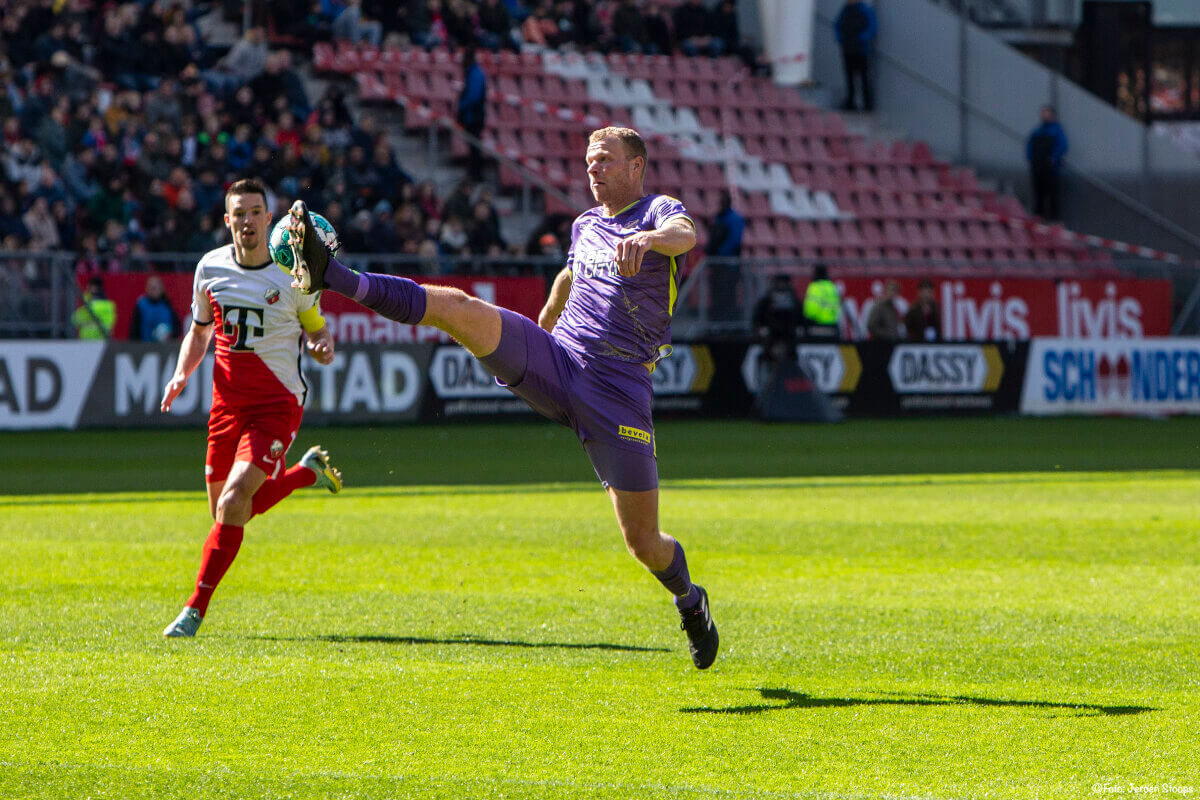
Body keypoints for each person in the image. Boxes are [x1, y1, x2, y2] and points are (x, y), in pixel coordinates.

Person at [281, 127, 719, 669]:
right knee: (459, 309)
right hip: (560, 362)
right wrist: (550, 312)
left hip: (620, 389)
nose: (593, 169)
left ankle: (689, 600)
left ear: (637, 166)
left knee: (644, 543)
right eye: (588, 161)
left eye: (604, 160)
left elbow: (686, 234)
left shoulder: (658, 211)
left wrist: (650, 240)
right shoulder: (585, 225)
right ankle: (334, 275)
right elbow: (571, 272)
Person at [159, 178, 343, 639]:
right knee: (226, 512)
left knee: (235, 500)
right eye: (238, 213)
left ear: (269, 217)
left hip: (277, 404)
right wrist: (182, 373)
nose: (247, 221)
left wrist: (322, 346)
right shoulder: (210, 268)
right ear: (228, 220)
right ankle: (305, 473)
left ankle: (193, 611)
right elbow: (200, 332)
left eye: (255, 211)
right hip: (226, 405)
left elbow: (318, 330)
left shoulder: (293, 275)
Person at [705, 189, 745, 322]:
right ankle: (716, 321)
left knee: (728, 295)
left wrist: (719, 255)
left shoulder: (735, 219)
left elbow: (734, 240)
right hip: (716, 268)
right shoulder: (717, 218)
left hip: (729, 267)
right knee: (716, 295)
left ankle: (728, 322)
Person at [1026, 105, 1068, 220]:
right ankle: (1038, 217)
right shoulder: (1037, 130)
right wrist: (1030, 158)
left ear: (1052, 115)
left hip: (1051, 168)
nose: (1044, 116)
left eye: (1047, 113)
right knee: (1038, 192)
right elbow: (1029, 145)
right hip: (1037, 167)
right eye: (1043, 113)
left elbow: (1063, 145)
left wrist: (1054, 157)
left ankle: (1053, 219)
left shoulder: (1057, 130)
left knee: (1052, 193)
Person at [834, 0, 877, 112]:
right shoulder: (845, 10)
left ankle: (867, 104)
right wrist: (841, 39)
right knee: (849, 77)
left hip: (860, 50)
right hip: (847, 48)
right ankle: (850, 102)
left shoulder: (865, 10)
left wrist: (861, 39)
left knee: (863, 78)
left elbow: (872, 27)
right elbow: (837, 24)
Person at [456, 46, 488, 182]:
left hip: (474, 116)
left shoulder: (475, 74)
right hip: (473, 115)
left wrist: (461, 107)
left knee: (474, 145)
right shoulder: (473, 73)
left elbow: (473, 97)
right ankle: (474, 172)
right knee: (472, 145)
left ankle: (476, 174)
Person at [129, 274, 182, 341]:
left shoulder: (167, 305)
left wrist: (171, 335)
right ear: (147, 288)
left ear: (162, 289)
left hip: (165, 347)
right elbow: (134, 329)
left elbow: (177, 327)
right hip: (145, 346)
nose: (153, 290)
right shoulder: (141, 305)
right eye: (151, 287)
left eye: (156, 287)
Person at [802, 263, 841, 339]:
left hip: (818, 327)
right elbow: (838, 307)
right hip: (833, 326)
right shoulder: (832, 286)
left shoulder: (815, 287)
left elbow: (810, 311)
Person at [72, 275, 117, 339]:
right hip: (103, 341)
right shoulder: (109, 305)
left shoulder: (91, 306)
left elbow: (75, 320)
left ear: (94, 287)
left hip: (88, 340)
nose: (87, 288)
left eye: (88, 286)